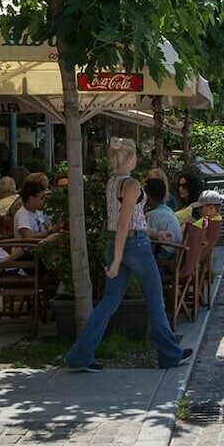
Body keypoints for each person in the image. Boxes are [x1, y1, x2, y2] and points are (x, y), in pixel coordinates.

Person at [65, 138, 191, 371]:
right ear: (130, 158)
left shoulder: (112, 182)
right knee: (156, 301)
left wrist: (154, 233)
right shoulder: (132, 185)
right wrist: (116, 261)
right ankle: (169, 354)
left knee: (108, 304)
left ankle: (80, 355)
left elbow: (124, 222)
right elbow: (125, 223)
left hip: (120, 242)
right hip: (135, 246)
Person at [144, 177, 183, 259]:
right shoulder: (168, 210)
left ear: (148, 196)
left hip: (167, 252)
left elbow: (145, 236)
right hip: (177, 250)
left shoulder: (152, 215)